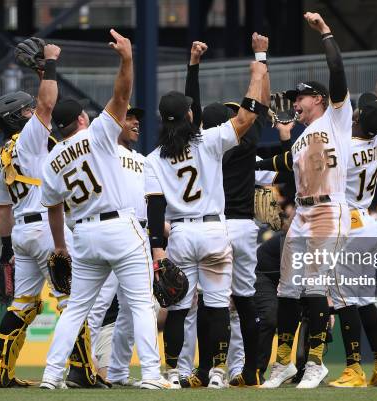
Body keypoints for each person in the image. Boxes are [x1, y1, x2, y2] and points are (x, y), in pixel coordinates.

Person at [39, 30, 168, 390]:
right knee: (141, 303)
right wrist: (126, 59)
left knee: (77, 308)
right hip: (120, 228)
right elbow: (122, 95)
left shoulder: (50, 160)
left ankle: (51, 375)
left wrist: (61, 246)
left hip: (83, 234)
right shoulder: (96, 134)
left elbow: (52, 209)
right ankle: (153, 376)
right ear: (81, 120)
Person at [143, 48, 268, 389]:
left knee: (180, 307)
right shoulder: (208, 141)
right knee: (215, 307)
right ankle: (215, 372)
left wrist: (157, 249)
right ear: (188, 114)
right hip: (214, 228)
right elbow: (245, 119)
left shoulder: (152, 158)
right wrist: (257, 74)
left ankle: (174, 373)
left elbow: (155, 209)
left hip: (180, 234)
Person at [0, 42, 96, 388]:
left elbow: (3, 210)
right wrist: (50, 62)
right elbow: (49, 102)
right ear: (19, 116)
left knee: (23, 305)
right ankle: (81, 371)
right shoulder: (29, 140)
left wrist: (6, 251)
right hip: (47, 231)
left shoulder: (1, 157)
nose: (35, 111)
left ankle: (0, 371)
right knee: (71, 301)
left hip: (21, 233)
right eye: (28, 110)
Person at [258, 12, 352, 390]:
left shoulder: (336, 119)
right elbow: (283, 164)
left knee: (314, 289)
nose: (295, 102)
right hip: (302, 213)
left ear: (319, 99)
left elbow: (338, 73)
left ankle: (314, 362)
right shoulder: (298, 138)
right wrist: (254, 164)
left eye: (301, 96)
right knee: (287, 290)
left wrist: (326, 33)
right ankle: (282, 363)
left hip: (330, 209)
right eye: (294, 97)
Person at [181, 33, 271, 388]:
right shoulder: (245, 140)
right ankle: (247, 370)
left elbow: (194, 104)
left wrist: (194, 65)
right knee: (244, 303)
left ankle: (204, 370)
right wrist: (260, 58)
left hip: (214, 227)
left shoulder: (202, 144)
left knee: (209, 304)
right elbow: (259, 104)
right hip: (243, 228)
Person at [328, 39, 377, 388]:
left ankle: (353, 368)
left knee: (343, 299)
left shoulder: (345, 146)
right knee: (365, 299)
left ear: (357, 118)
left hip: (346, 221)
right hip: (367, 222)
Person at [85, 104, 148, 385]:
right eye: (129, 118)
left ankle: (118, 372)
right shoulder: (103, 153)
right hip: (112, 230)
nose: (135, 123)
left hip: (140, 236)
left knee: (130, 313)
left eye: (137, 119)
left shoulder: (144, 160)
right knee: (95, 307)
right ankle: (83, 365)